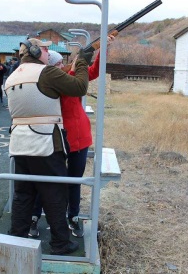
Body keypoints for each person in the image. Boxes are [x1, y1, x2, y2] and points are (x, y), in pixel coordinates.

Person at [4, 38, 93, 255]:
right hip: (45, 143)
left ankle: (18, 239)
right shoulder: (46, 72)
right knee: (55, 194)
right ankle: (60, 243)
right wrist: (81, 62)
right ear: (35, 51)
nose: (47, 52)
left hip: (19, 144)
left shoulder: (13, 76)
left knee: (23, 194)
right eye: (44, 48)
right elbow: (80, 86)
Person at [29, 36, 116, 239]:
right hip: (56, 137)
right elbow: (74, 75)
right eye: (58, 63)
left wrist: (102, 49)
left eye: (62, 63)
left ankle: (73, 217)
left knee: (74, 181)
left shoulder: (68, 76)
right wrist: (78, 63)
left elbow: (93, 72)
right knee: (47, 181)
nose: (62, 66)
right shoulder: (49, 81)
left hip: (78, 136)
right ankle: (34, 217)